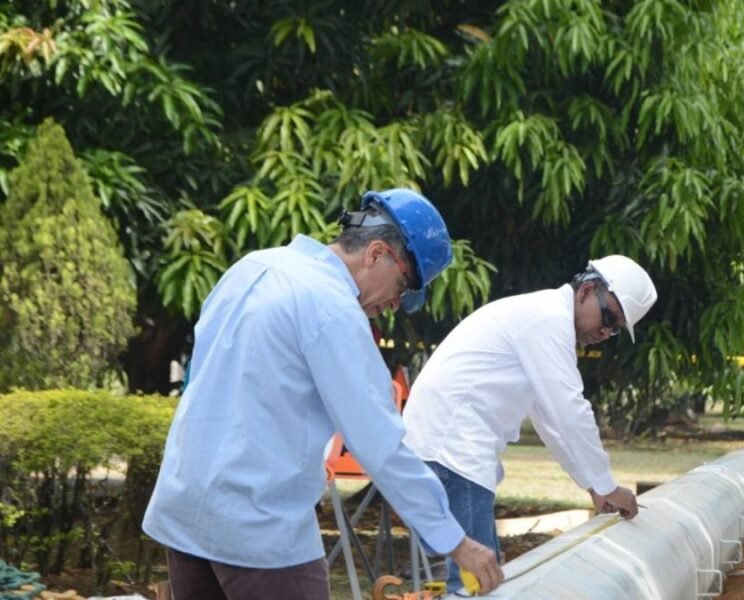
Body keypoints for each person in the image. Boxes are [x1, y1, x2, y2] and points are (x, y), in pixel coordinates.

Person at [142, 189, 504, 599]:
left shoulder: (252, 267)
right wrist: (455, 540)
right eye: (403, 286)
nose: (396, 304)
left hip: (185, 510)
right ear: (376, 254)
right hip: (257, 528)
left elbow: (202, 379)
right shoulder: (333, 309)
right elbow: (380, 443)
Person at [402, 255, 658, 592]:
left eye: (615, 329)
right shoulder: (547, 321)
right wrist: (607, 484)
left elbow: (550, 420)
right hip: (452, 451)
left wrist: (594, 485)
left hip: (450, 451)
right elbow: (569, 411)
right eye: (608, 317)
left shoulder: (544, 320)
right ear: (586, 290)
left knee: (481, 576)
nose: (605, 332)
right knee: (477, 583)